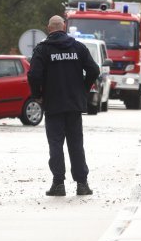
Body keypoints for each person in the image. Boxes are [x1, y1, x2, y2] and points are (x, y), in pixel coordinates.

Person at [28, 15, 100, 197]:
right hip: (74, 105)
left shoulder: (42, 50)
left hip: (53, 104)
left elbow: (34, 75)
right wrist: (83, 89)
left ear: (48, 28)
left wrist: (38, 95)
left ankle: (58, 184)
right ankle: (82, 184)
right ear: (64, 27)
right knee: (76, 144)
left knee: (56, 145)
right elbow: (94, 70)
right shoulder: (78, 47)